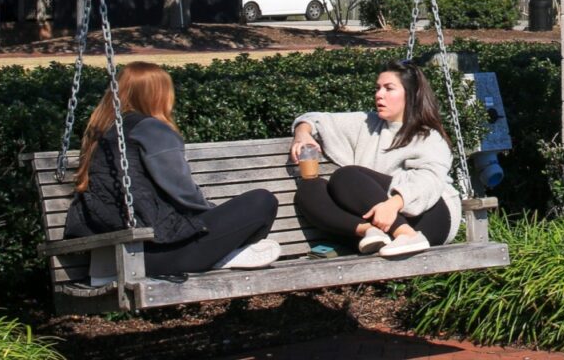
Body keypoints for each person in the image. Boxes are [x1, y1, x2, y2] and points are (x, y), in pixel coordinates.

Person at [64, 62, 281, 278]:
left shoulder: (101, 133)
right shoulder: (150, 128)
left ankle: (229, 256)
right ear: (158, 95)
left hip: (113, 257)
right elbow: (182, 191)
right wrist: (213, 215)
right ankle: (224, 257)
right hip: (159, 253)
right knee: (262, 201)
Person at [291, 59, 461, 258]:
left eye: (389, 89)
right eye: (378, 88)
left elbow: (430, 180)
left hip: (430, 215)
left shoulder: (427, 136)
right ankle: (369, 232)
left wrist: (394, 204)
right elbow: (316, 119)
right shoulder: (368, 123)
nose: (379, 95)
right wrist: (302, 133)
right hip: (377, 220)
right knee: (308, 190)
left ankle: (406, 234)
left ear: (411, 94)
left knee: (346, 176)